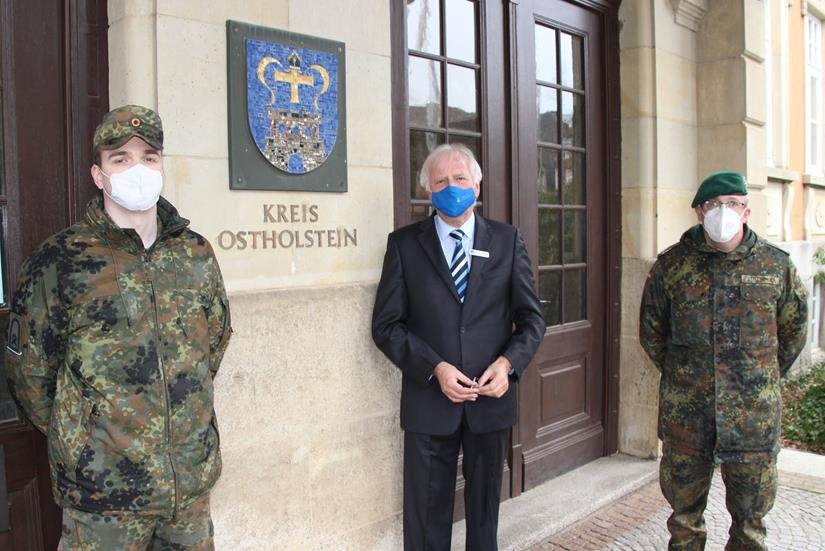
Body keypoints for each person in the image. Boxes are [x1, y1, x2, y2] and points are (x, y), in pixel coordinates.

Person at [5, 105, 232, 549]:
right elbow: (29, 375)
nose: (137, 169)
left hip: (187, 486)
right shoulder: (59, 260)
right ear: (99, 175)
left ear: (161, 166)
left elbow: (214, 344)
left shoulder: (195, 253)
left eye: (149, 157)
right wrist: (85, 435)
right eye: (120, 158)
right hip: (103, 495)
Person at [372, 143, 545, 550]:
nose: (452, 187)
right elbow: (386, 326)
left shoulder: (506, 240)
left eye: (460, 178)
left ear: (477, 186)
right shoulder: (404, 245)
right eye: (441, 181)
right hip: (430, 403)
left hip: (490, 402)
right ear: (428, 190)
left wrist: (508, 364)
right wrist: (435, 368)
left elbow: (532, 320)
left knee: (484, 517)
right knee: (425, 520)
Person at [639, 171, 808, 550]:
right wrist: (687, 376)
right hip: (687, 418)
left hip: (753, 420)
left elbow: (794, 332)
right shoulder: (671, 266)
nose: (723, 211)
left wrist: (758, 378)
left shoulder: (776, 266)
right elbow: (652, 333)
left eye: (733, 203)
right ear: (699, 212)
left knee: (750, 526)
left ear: (746, 211)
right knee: (684, 522)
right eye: (714, 204)